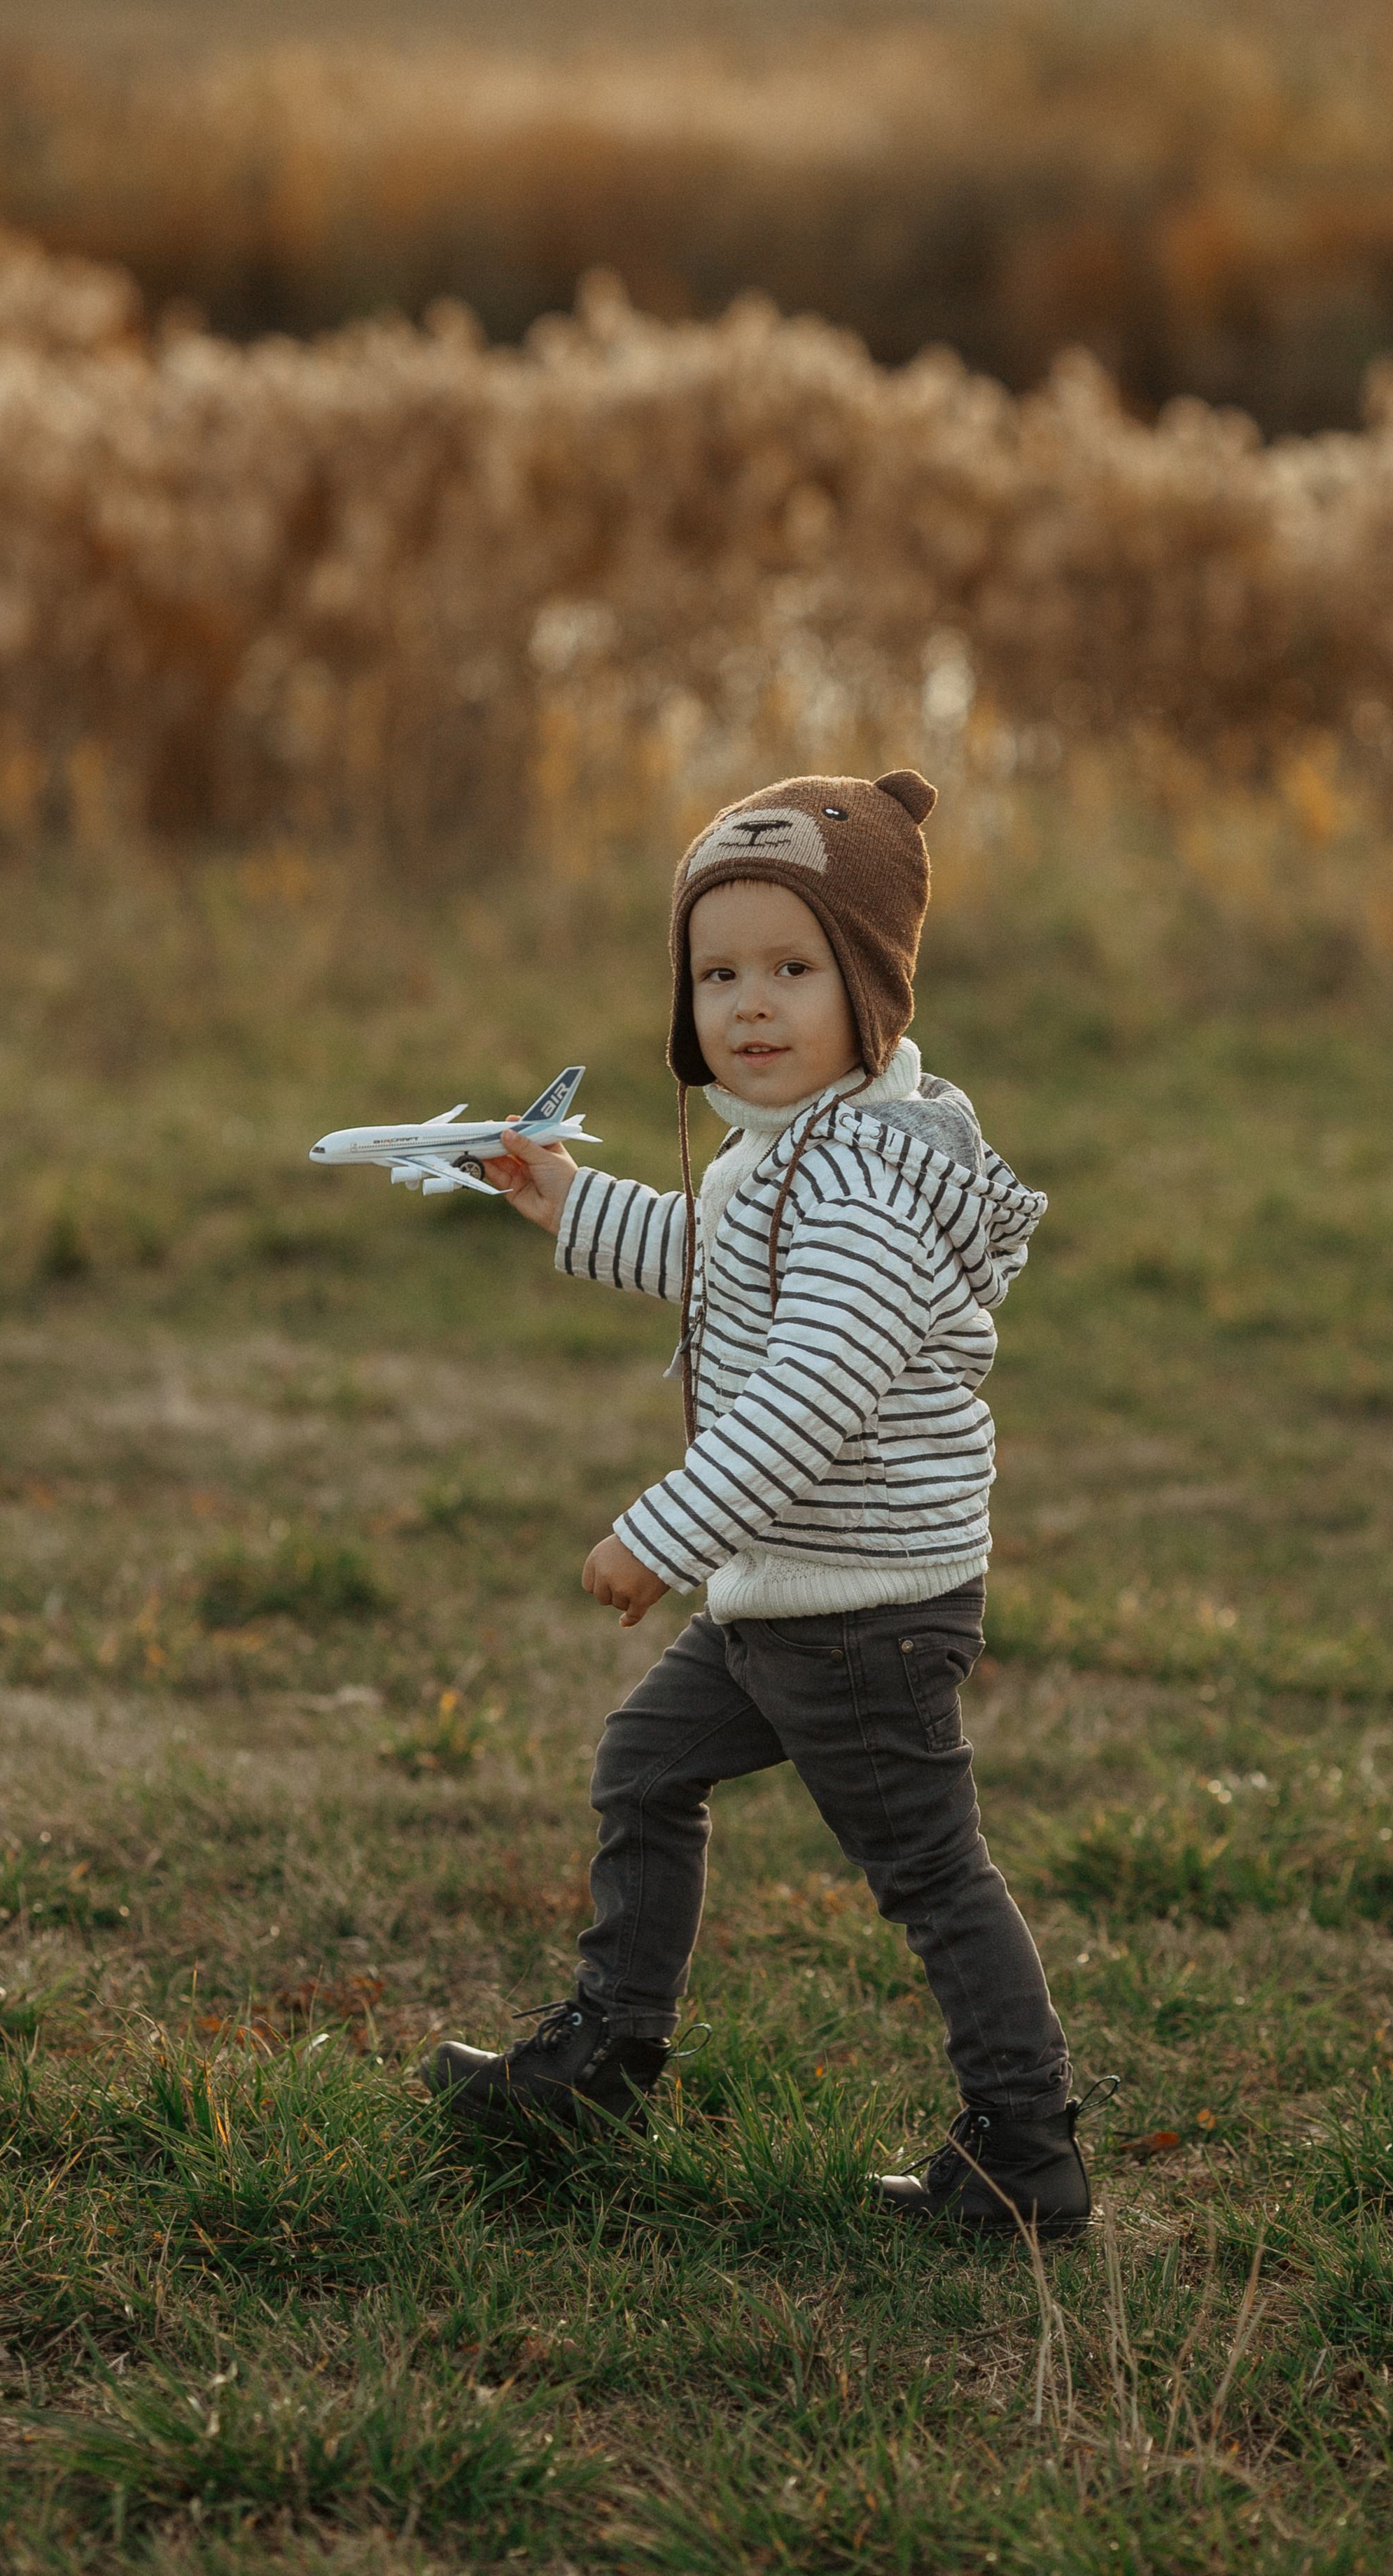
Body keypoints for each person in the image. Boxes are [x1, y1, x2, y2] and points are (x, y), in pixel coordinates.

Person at [422, 769, 1112, 2235]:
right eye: (717, 971)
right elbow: (728, 1263)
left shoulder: (863, 1183)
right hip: (789, 1598)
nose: (749, 1005)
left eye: (791, 970)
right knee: (642, 1766)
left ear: (870, 988)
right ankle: (610, 2051)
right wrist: (569, 1205)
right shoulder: (792, 1146)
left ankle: (1022, 2152)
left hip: (860, 1611)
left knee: (926, 1869)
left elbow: (810, 1396)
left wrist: (654, 1541)